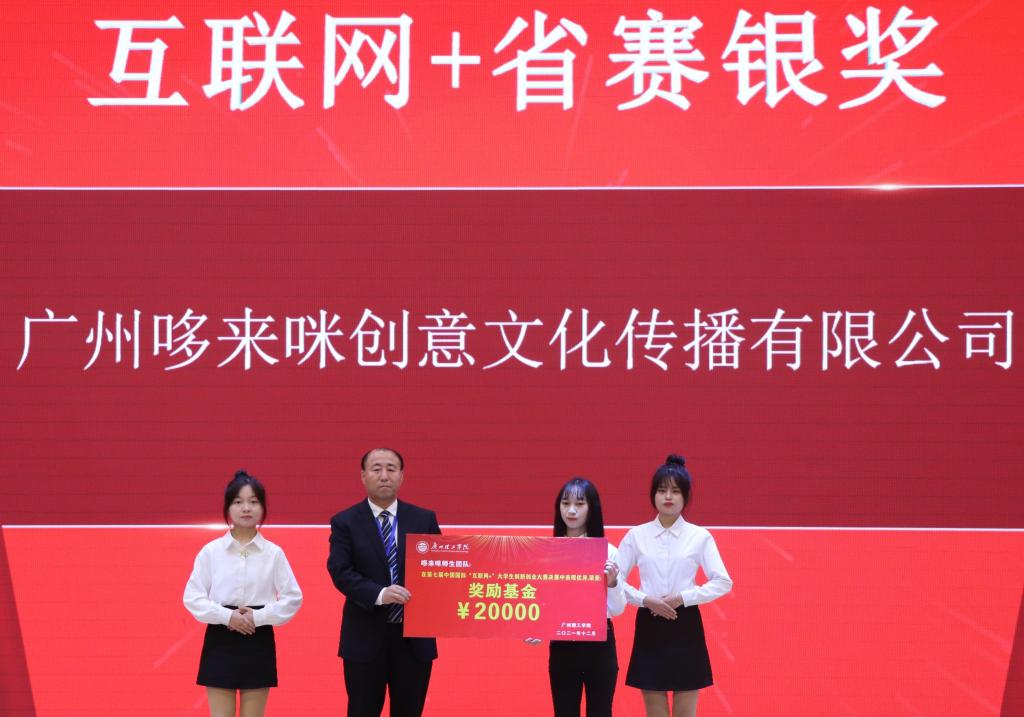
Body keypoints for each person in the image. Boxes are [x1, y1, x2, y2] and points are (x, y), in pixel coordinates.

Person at [327, 448, 441, 717]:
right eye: (376, 468)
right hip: (365, 638)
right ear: (363, 476)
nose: (384, 475)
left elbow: (440, 571)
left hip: (414, 641)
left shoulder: (424, 519)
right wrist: (379, 594)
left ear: (402, 476)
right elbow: (340, 571)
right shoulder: (345, 522)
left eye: (391, 468)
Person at [615, 455, 733, 717]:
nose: (668, 496)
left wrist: (683, 597)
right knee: (654, 712)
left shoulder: (699, 536)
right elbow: (614, 580)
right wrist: (645, 599)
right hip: (650, 623)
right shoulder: (636, 535)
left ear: (685, 496)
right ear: (653, 495)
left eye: (675, 491)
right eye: (661, 490)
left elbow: (723, 581)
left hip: (685, 624)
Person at [183, 470, 303, 717]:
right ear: (228, 508)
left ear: (263, 507)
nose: (246, 508)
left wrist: (257, 618)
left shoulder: (273, 553)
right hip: (221, 638)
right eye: (238, 502)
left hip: (258, 639)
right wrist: (227, 616)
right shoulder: (211, 551)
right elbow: (192, 597)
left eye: (253, 501)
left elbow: (293, 598)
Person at [527, 477, 628, 717]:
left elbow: (618, 609)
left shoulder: (609, 552)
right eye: (565, 503)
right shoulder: (546, 552)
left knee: (600, 712)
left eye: (579, 504)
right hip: (563, 647)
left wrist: (612, 583)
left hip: (600, 646)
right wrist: (536, 626)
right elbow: (542, 601)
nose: (571, 510)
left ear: (592, 508)